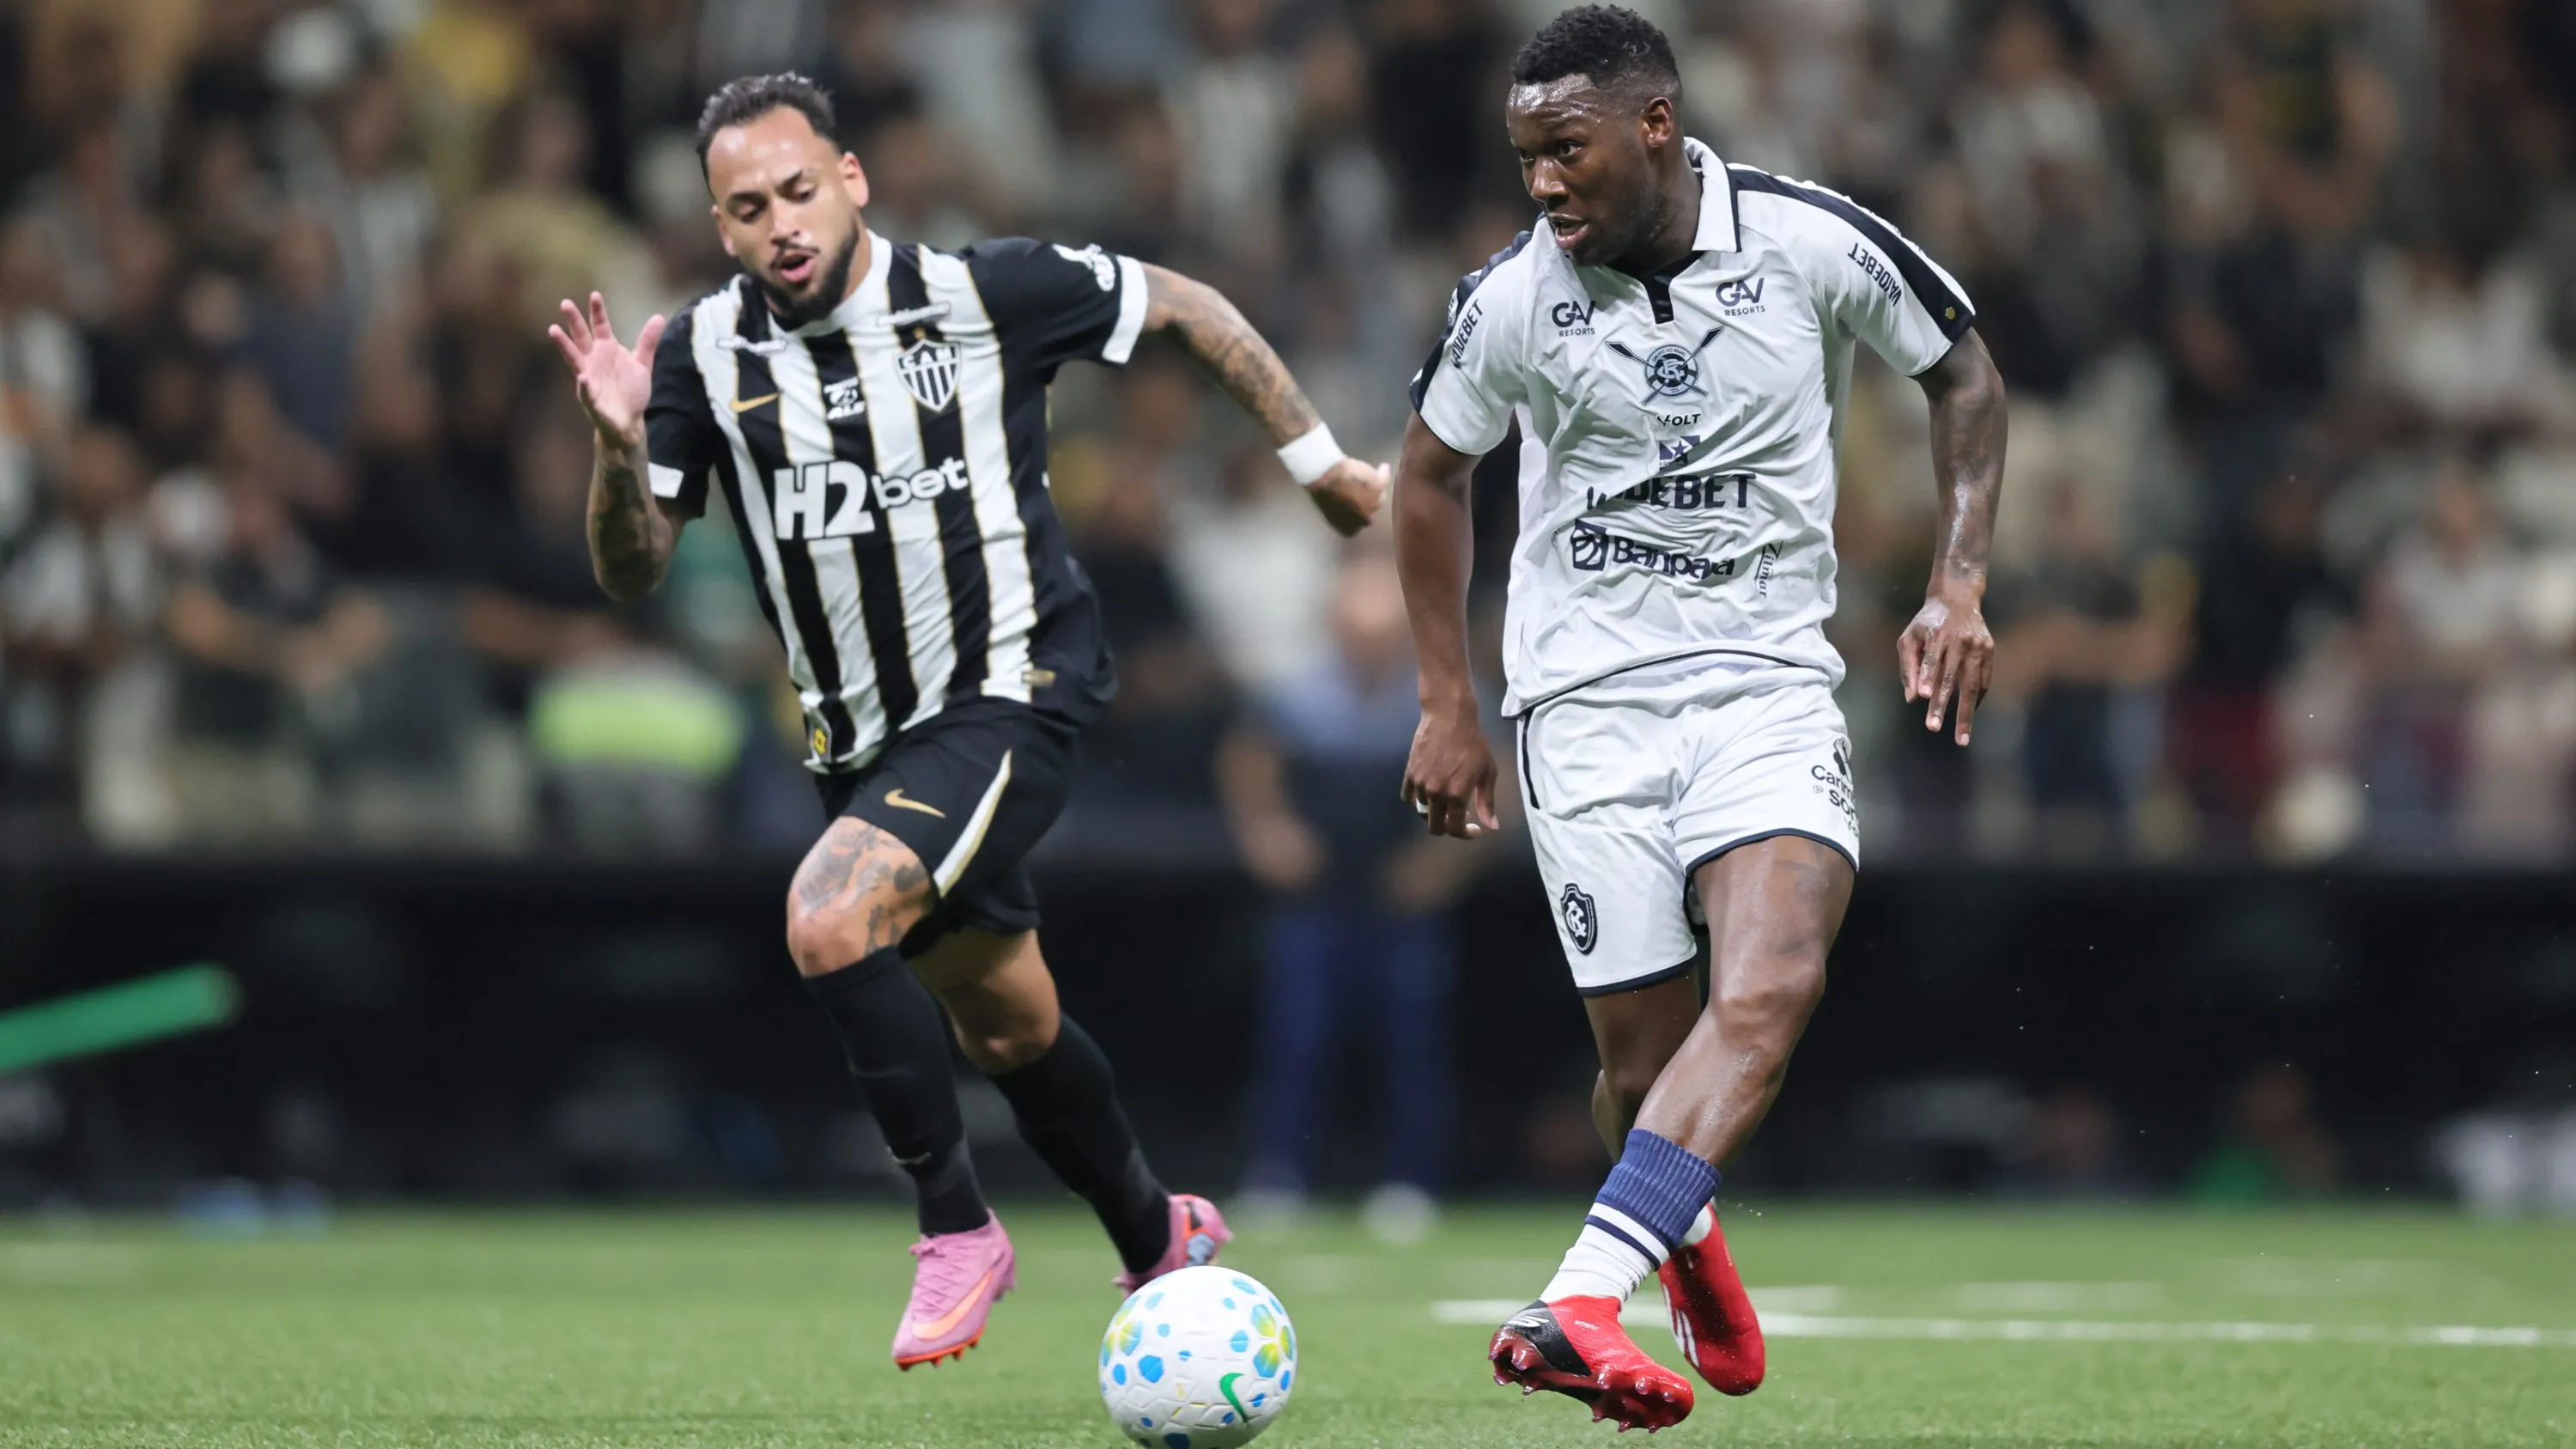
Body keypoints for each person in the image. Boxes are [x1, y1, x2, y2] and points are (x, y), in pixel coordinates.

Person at [546, 73, 1387, 1369]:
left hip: (1015, 689)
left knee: (829, 917)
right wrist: (613, 450)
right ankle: (1158, 1234)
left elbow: (1191, 308)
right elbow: (634, 566)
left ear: (854, 180)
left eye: (800, 190)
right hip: (863, 748)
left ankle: (956, 1227)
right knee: (1010, 1024)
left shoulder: (981, 293)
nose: (781, 223)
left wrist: (1320, 465)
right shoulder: (704, 355)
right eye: (748, 206)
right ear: (719, 226)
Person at [1394, 9, 2007, 1431]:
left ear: (1655, 124)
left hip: (1765, 686)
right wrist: (1448, 700)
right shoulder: (1510, 300)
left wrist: (1958, 581)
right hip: (1585, 707)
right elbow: (1428, 478)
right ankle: (1682, 1228)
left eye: (1566, 151)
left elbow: (1961, 364)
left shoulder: (1805, 240)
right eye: (1524, 158)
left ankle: (1577, 1298)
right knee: (1642, 1071)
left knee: (1771, 994)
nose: (1542, 185)